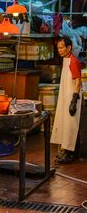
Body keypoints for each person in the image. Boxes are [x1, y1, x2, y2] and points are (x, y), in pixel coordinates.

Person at [51, 36, 82, 164]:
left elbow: (77, 81)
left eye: (62, 47)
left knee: (70, 124)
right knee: (65, 122)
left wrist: (74, 100)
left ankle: (70, 154)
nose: (59, 50)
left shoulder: (73, 61)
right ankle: (66, 150)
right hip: (65, 96)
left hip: (72, 96)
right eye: (58, 47)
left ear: (69, 48)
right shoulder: (65, 60)